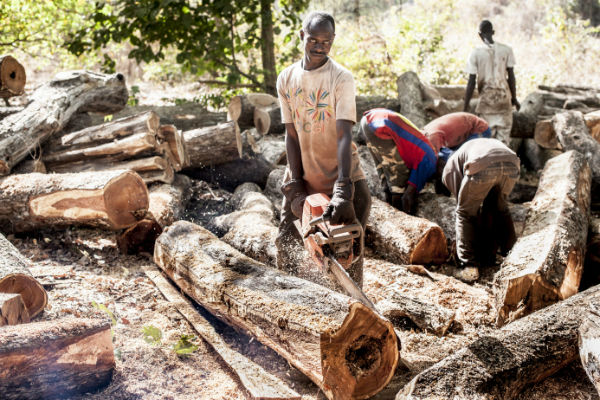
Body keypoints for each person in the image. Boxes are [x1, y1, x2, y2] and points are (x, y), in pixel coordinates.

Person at [275, 11, 371, 288]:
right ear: (301, 36)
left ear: (333, 41)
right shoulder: (286, 78)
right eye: (313, 40)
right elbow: (291, 135)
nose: (319, 46)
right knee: (286, 243)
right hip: (303, 175)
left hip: (343, 177)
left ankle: (353, 316)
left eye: (326, 42)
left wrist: (343, 191)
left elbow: (344, 136)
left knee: (347, 257)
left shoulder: (341, 78)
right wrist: (295, 184)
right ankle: (291, 305)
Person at [441, 138, 520, 282]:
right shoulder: (465, 151)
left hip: (483, 164)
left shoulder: (449, 170)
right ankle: (514, 257)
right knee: (500, 210)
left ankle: (469, 266)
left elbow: (467, 208)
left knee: (464, 213)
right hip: (512, 163)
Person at [359, 108, 438, 214]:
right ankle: (397, 218)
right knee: (399, 183)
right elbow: (409, 193)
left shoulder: (429, 151)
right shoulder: (430, 163)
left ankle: (388, 202)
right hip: (382, 126)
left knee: (384, 168)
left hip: (368, 120)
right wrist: (408, 212)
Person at [464, 20, 520, 151]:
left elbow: (471, 81)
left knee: (486, 142)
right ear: (493, 32)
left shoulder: (475, 53)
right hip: (503, 100)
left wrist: (466, 105)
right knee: (504, 141)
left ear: (479, 34)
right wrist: (514, 98)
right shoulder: (506, 50)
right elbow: (511, 76)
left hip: (486, 103)